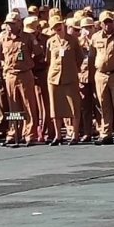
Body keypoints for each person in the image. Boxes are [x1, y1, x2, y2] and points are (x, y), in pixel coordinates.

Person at [0, 12, 42, 146]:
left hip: (25, 74)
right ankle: (14, 132)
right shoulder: (3, 38)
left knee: (28, 104)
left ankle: (29, 133)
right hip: (10, 75)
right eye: (8, 24)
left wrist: (29, 63)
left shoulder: (28, 37)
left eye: (12, 24)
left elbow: (38, 53)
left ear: (19, 23)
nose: (10, 27)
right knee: (13, 106)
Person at [89, 11, 114, 145]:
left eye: (110, 21)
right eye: (105, 22)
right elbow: (92, 56)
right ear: (100, 24)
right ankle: (105, 133)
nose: (108, 24)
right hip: (100, 74)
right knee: (103, 104)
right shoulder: (95, 37)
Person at [46, 15, 84, 145]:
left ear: (63, 25)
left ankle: (75, 134)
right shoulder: (50, 42)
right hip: (54, 78)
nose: (58, 28)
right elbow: (48, 59)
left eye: (59, 25)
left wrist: (73, 69)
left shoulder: (72, 40)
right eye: (55, 27)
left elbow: (80, 58)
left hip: (70, 77)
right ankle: (58, 135)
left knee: (74, 107)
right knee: (55, 108)